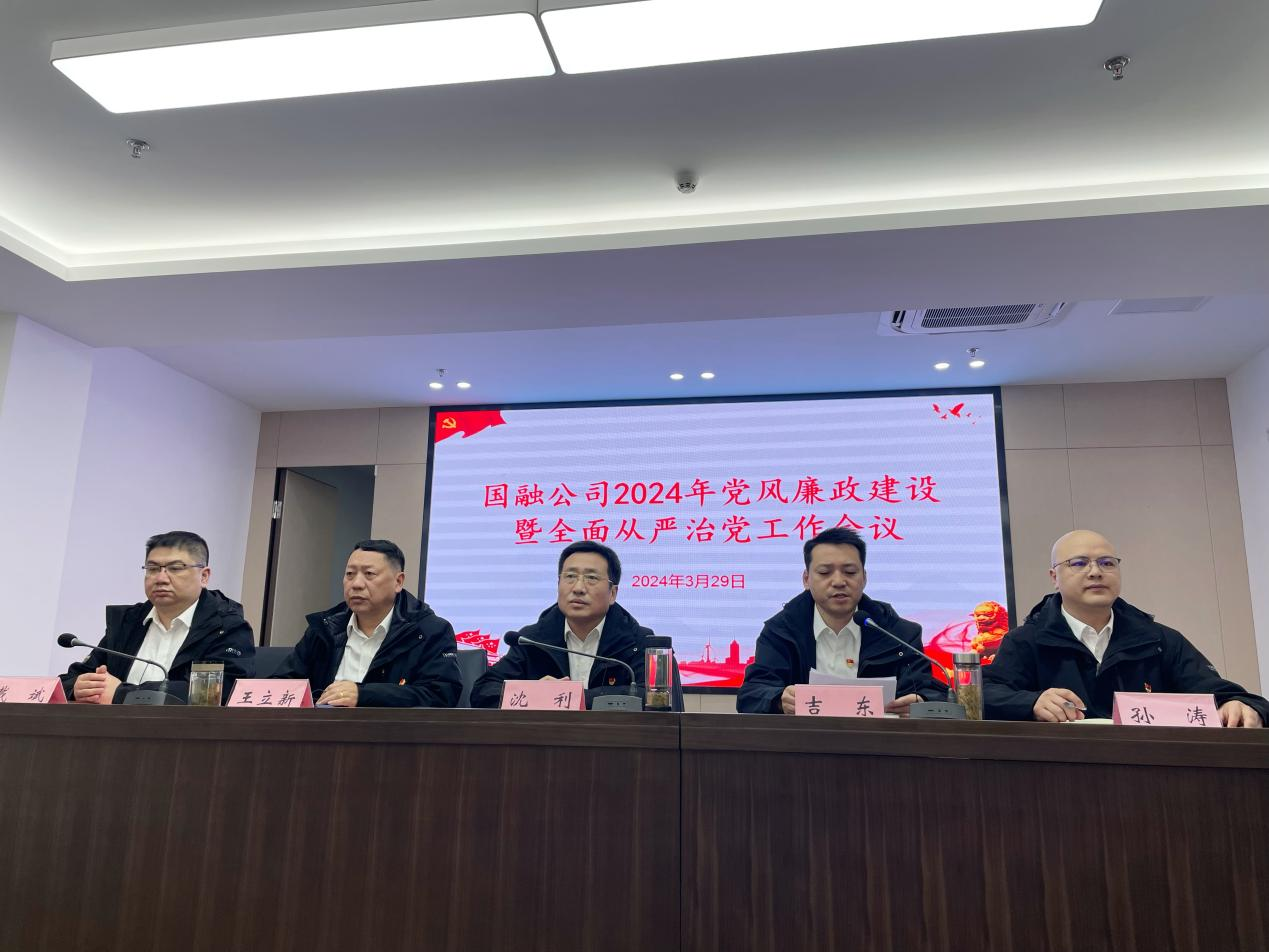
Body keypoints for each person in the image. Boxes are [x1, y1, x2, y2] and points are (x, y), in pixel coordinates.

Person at [984, 530, 1266, 727]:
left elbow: (1219, 693)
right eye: (1079, 563)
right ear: (1054, 577)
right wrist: (1032, 702)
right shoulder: (1027, 640)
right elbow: (983, 693)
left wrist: (1240, 705)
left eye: (1107, 563)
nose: (1096, 572)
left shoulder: (1158, 640)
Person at [737, 527, 943, 715]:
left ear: (864, 578)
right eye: (825, 572)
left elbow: (930, 690)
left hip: (880, 741)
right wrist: (779, 699)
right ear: (806, 579)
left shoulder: (898, 633)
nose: (838, 581)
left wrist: (921, 701)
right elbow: (751, 694)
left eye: (850, 572)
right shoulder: (781, 631)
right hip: (804, 740)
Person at [470, 541, 683, 710]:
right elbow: (484, 691)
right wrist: (535, 693)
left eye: (591, 578)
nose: (578, 587)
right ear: (558, 584)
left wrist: (568, 697)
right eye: (570, 577)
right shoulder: (533, 640)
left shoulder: (640, 643)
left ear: (612, 593)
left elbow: (657, 699)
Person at [60, 531, 254, 704]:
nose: (161, 578)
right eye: (152, 569)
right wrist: (78, 687)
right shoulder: (129, 622)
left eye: (175, 568)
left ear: (204, 576)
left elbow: (216, 693)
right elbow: (71, 679)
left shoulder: (226, 627)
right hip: (113, 729)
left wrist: (122, 694)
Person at [271, 539, 461, 707]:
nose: (356, 584)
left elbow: (440, 695)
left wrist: (364, 695)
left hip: (391, 733)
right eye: (350, 574)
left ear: (398, 582)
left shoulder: (428, 631)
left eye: (369, 574)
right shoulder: (325, 628)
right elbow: (284, 684)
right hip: (321, 730)